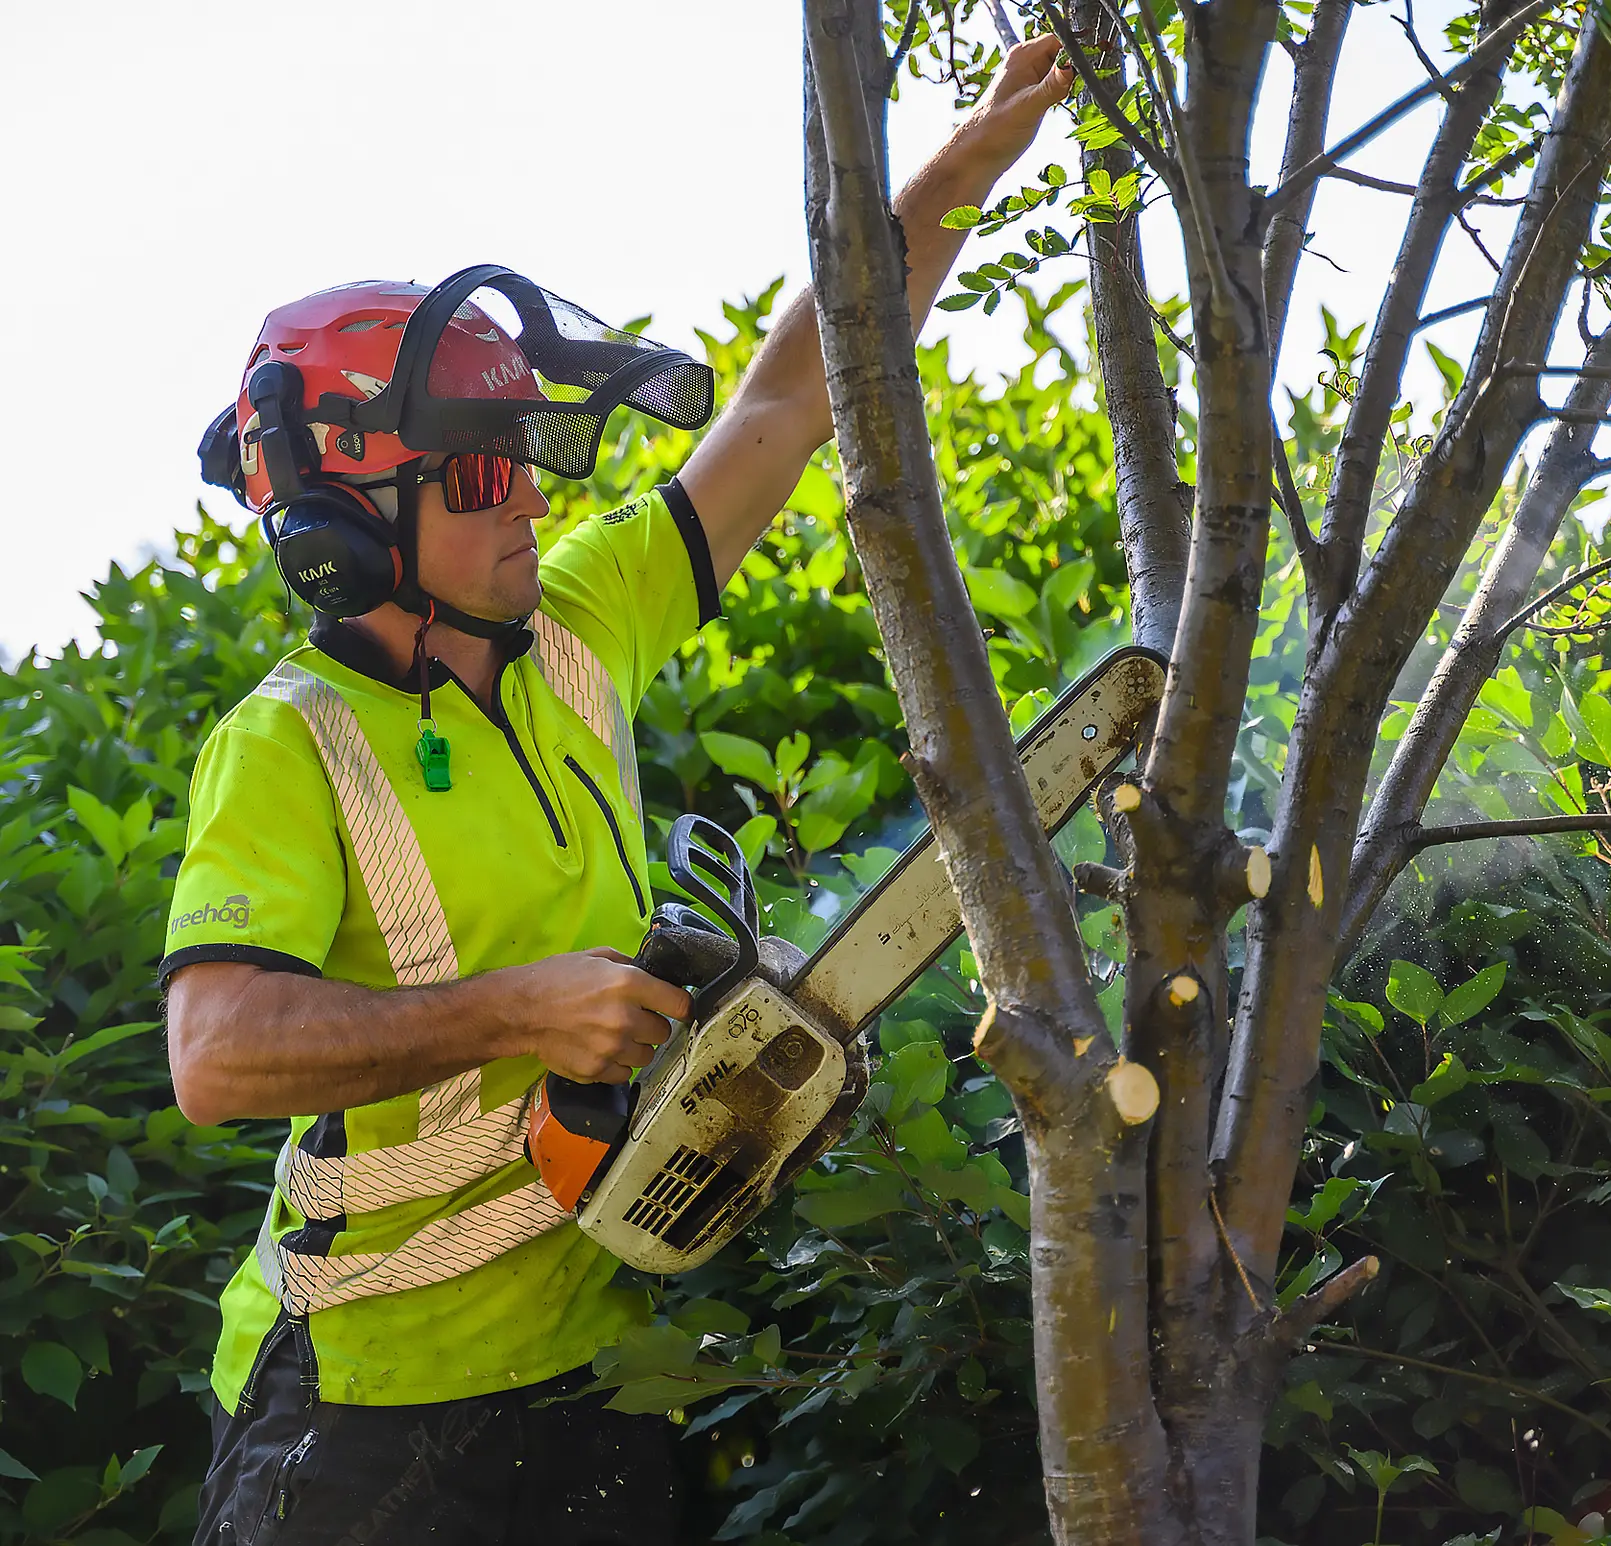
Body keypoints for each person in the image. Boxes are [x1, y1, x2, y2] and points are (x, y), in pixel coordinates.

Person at [164, 37, 1073, 1545]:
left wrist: (958, 179)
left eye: (519, 455)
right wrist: (526, 1008)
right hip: (362, 1405)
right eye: (474, 471)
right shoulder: (290, 741)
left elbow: (784, 407)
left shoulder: (577, 626)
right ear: (342, 514)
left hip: (594, 1371)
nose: (523, 492)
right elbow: (215, 1055)